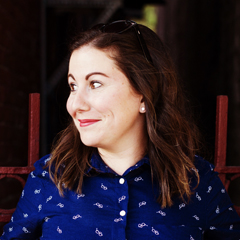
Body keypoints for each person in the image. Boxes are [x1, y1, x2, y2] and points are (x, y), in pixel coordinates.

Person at [1, 20, 240, 240]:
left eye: (95, 84)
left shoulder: (197, 181)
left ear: (144, 95)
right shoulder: (49, 178)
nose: (75, 104)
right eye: (73, 86)